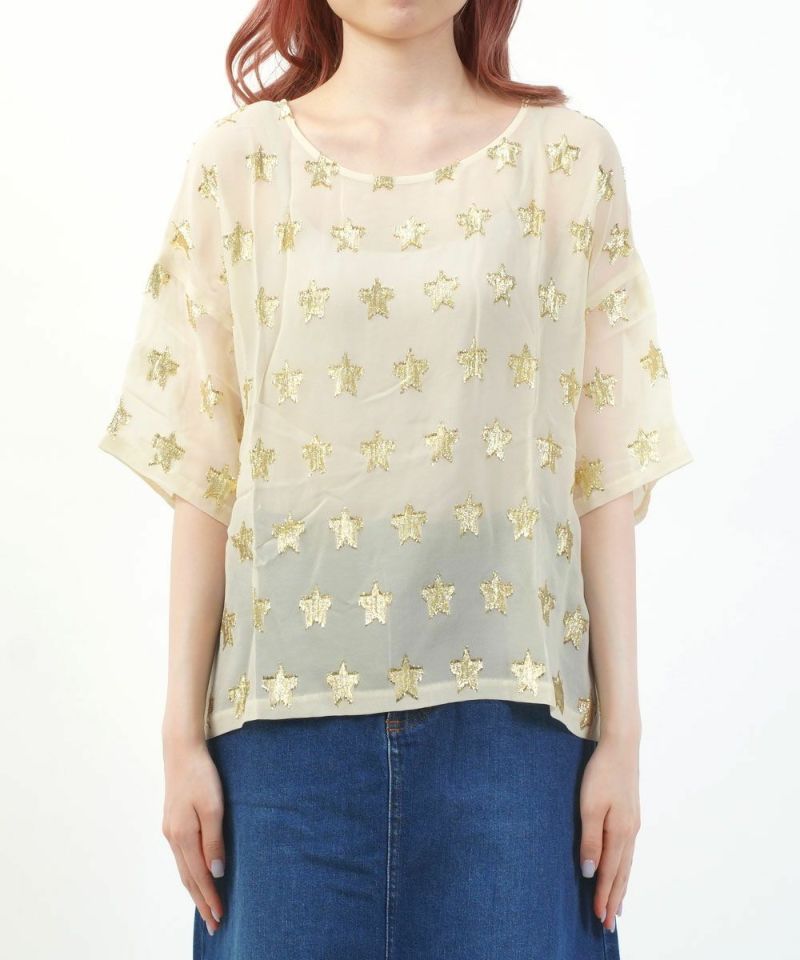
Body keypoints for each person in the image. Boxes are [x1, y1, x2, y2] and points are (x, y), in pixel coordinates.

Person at [97, 1, 693, 957]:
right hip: (277, 743)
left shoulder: (567, 163)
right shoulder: (239, 167)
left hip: (514, 733)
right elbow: (204, 470)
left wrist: (623, 737)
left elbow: (604, 466)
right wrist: (180, 738)